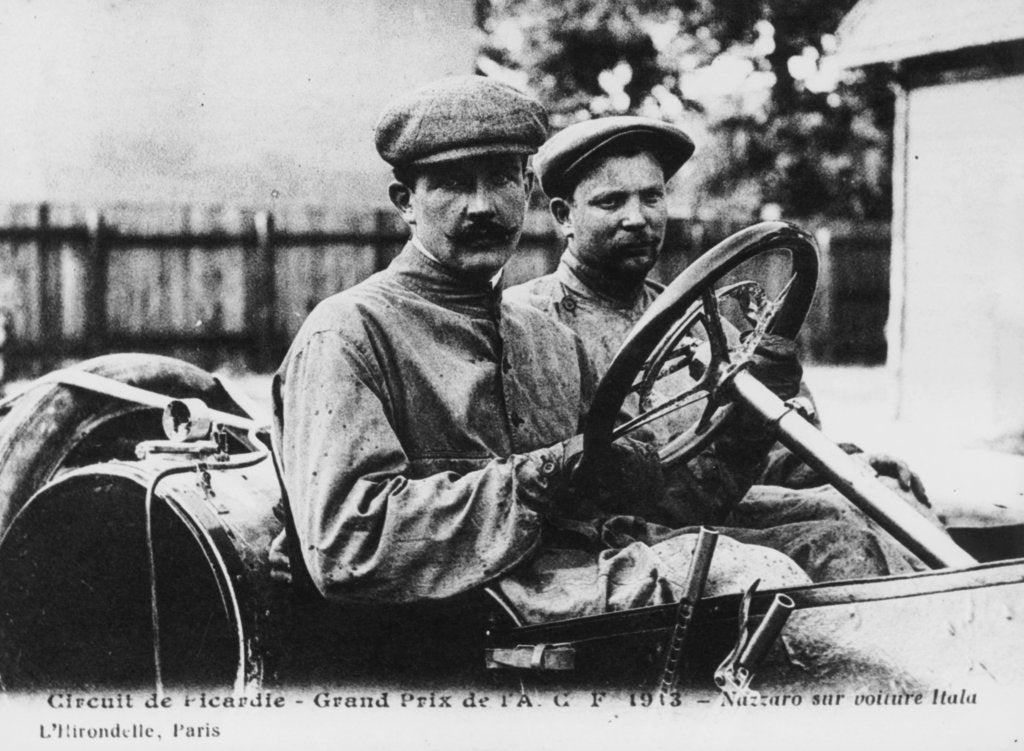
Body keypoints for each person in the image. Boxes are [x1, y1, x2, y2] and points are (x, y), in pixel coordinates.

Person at [269, 77, 829, 634]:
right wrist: (545, 475)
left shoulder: (546, 339)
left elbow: (662, 503)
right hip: (466, 624)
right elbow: (349, 544)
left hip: (578, 583)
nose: (482, 206)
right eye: (452, 185)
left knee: (817, 563)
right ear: (405, 203)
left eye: (501, 180)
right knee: (758, 585)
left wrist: (750, 423)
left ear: (527, 190)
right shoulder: (349, 333)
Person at [504, 115, 940, 573]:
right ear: (562, 217)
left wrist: (844, 463)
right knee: (842, 547)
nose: (637, 218)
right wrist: (743, 437)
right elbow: (587, 498)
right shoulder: (529, 326)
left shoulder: (693, 321)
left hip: (711, 510)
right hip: (618, 546)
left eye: (651, 196)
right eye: (611, 202)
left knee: (889, 502)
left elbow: (769, 455)